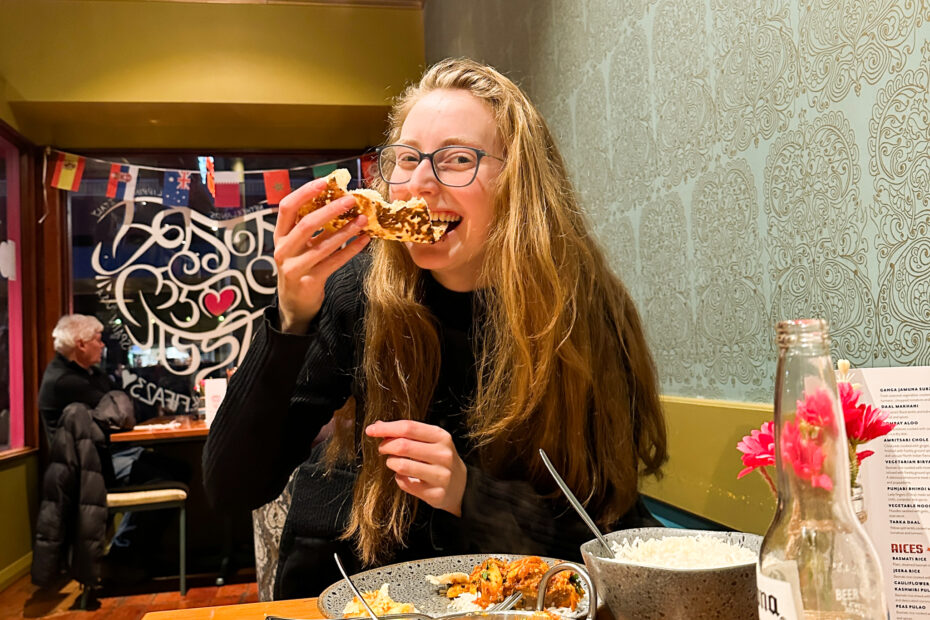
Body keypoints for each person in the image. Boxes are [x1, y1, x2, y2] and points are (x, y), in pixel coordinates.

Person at [203, 58, 668, 599]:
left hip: (518, 598)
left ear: (518, 180)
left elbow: (606, 527)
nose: (417, 185)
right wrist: (290, 316)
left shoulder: (583, 309)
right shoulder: (360, 290)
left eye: (455, 160)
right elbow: (232, 486)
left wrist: (470, 494)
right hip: (353, 589)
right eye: (405, 159)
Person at [37, 314, 189, 576]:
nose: (104, 345)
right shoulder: (64, 381)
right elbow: (123, 411)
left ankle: (136, 553)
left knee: (181, 470)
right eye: (98, 340)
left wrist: (120, 402)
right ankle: (123, 555)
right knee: (163, 477)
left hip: (111, 453)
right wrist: (120, 402)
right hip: (91, 467)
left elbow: (128, 407)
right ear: (81, 344)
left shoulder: (88, 373)